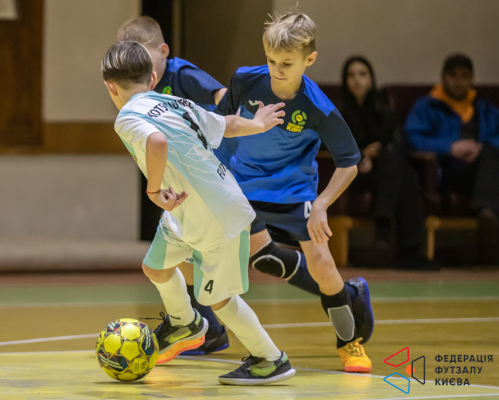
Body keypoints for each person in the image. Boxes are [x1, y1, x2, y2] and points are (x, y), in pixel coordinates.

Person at [102, 40, 295, 385]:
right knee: (156, 267)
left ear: (110, 87)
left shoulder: (127, 117)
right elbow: (226, 125)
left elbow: (156, 142)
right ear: (153, 79)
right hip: (186, 210)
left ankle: (270, 359)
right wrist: (258, 124)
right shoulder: (175, 102)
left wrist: (153, 190)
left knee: (220, 300)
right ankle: (185, 323)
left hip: (215, 214)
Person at [216, 12, 373, 373]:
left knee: (323, 265)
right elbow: (218, 125)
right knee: (257, 260)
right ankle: (214, 334)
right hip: (242, 187)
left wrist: (321, 204)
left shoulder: (318, 106)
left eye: (286, 63)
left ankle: (349, 342)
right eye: (271, 60)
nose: (277, 70)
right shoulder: (244, 80)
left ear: (309, 59)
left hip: (294, 192)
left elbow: (349, 163)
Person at [117, 16, 231, 354]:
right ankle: (204, 328)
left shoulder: (182, 74)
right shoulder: (139, 90)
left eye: (142, 54)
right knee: (176, 255)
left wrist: (212, 137)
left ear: (163, 51)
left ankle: (206, 328)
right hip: (178, 181)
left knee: (191, 255)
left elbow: (223, 97)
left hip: (204, 177)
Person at [338, 56, 432, 269]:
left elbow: (400, 143)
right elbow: (328, 144)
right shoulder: (336, 111)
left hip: (383, 172)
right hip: (352, 174)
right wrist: (361, 155)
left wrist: (378, 154)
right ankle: (410, 249)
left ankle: (388, 233)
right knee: (404, 173)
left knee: (400, 167)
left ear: (371, 79)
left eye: (362, 74)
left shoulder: (384, 110)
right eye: (351, 75)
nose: (357, 80)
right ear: (345, 81)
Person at [405, 54, 499, 261]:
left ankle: (486, 212)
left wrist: (481, 148)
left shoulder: (484, 108)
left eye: (464, 76)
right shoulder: (427, 106)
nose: (459, 81)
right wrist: (449, 147)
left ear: (472, 79)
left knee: (491, 153)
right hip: (450, 172)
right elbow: (412, 138)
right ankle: (486, 212)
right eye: (453, 75)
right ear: (443, 77)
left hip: (484, 168)